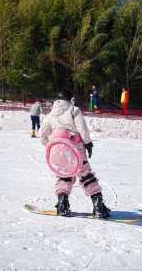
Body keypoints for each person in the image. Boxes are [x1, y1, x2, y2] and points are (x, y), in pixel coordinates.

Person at [40, 90, 110, 218]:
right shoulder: (73, 110)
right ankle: (98, 206)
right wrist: (88, 143)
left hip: (58, 148)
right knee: (85, 174)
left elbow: (42, 135)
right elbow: (82, 128)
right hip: (75, 146)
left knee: (64, 175)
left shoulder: (50, 115)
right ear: (69, 99)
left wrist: (52, 145)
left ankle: (62, 204)